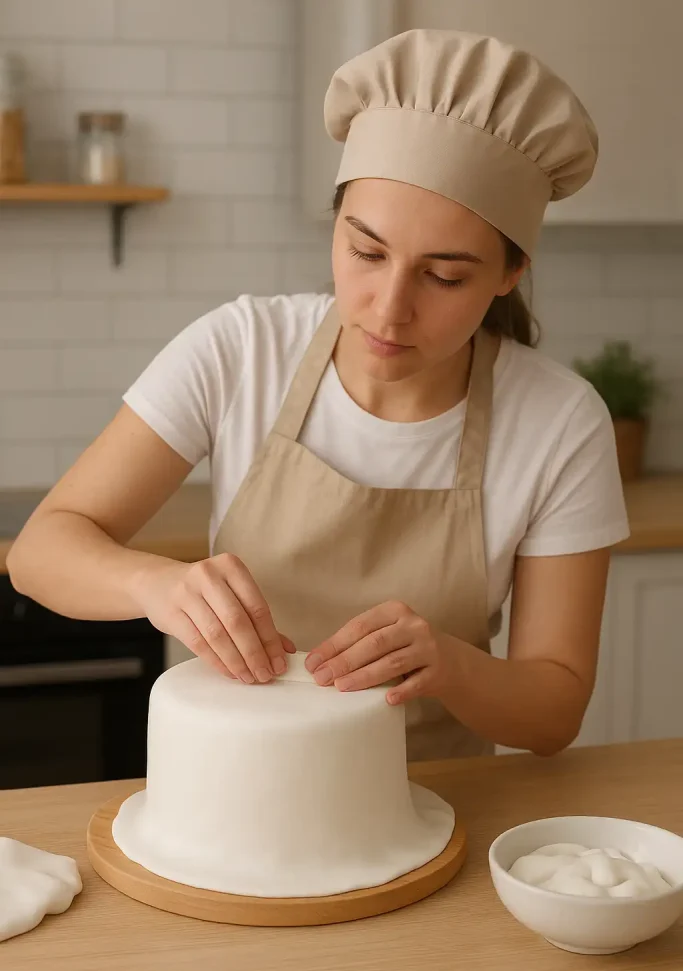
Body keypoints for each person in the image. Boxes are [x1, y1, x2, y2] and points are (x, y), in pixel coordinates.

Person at [8, 29, 629, 761]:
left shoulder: (560, 422)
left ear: (509, 273)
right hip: (234, 787)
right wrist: (155, 586)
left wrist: (450, 665)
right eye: (365, 251)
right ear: (336, 225)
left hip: (440, 801)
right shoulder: (241, 349)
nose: (388, 309)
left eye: (444, 276)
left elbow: (554, 713)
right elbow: (40, 551)